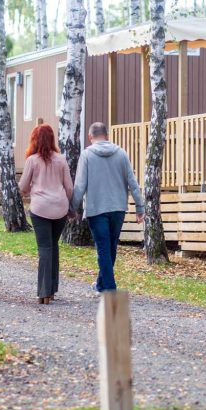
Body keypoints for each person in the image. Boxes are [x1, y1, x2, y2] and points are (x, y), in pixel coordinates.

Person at [71, 122, 145, 293]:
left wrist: (72, 208)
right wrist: (140, 207)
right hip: (118, 208)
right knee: (110, 247)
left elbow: (80, 185)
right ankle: (101, 284)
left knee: (103, 248)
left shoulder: (87, 155)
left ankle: (110, 288)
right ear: (107, 135)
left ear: (90, 137)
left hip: (96, 208)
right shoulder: (121, 154)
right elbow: (132, 183)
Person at [19, 124, 73, 304]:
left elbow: (23, 187)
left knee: (45, 248)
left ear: (34, 139)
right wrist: (68, 205)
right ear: (52, 139)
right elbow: (69, 188)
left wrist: (29, 191)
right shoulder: (61, 159)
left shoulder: (32, 161)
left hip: (40, 208)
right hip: (60, 208)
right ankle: (52, 289)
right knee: (53, 246)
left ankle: (43, 292)